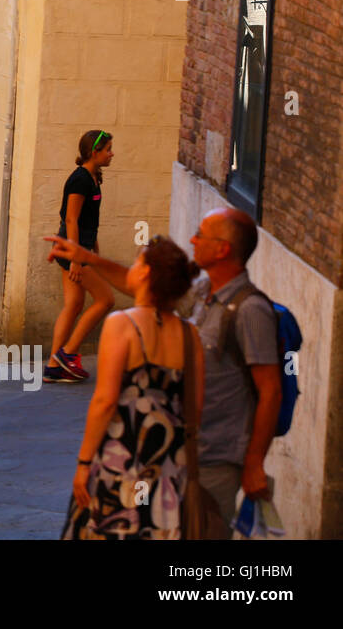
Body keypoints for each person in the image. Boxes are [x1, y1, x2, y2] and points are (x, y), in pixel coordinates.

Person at [47, 207, 282, 538]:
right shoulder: (202, 292)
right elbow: (149, 290)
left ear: (222, 249)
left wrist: (255, 462)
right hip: (178, 457)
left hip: (214, 459)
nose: (192, 239)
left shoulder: (250, 310)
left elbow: (271, 390)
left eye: (201, 234)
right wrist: (90, 259)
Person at [61, 236, 203, 538]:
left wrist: (84, 463)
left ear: (146, 274)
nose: (132, 266)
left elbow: (104, 401)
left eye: (138, 261)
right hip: (169, 464)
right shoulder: (191, 335)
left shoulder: (121, 324)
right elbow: (196, 409)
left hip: (121, 457)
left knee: (113, 528)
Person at [45, 129, 116, 384]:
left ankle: (54, 366)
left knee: (74, 304)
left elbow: (87, 217)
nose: (112, 153)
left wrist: (93, 241)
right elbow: (71, 219)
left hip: (80, 247)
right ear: (94, 152)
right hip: (73, 249)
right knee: (105, 300)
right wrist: (76, 258)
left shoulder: (94, 177)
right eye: (108, 149)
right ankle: (69, 353)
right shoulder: (79, 180)